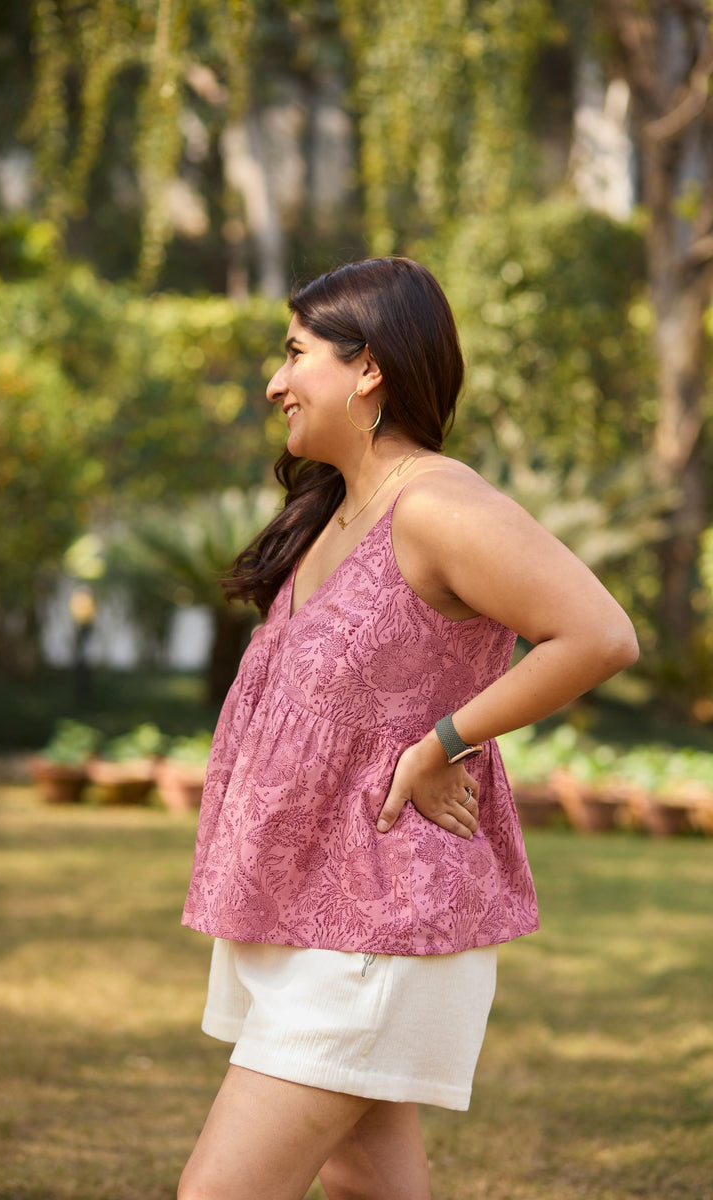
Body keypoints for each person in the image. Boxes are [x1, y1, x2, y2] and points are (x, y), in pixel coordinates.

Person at [178, 256, 638, 1200]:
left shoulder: (436, 505)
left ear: (369, 369)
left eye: (296, 352)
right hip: (304, 911)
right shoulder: (336, 510)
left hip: (376, 925)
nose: (275, 381)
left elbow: (598, 634)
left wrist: (445, 739)